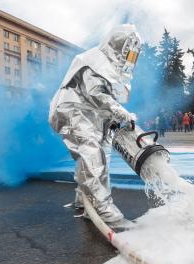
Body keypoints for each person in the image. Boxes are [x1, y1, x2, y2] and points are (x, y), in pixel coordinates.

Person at [49, 24, 141, 225]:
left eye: (134, 57)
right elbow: (95, 93)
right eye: (129, 54)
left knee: (100, 154)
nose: (130, 60)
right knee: (92, 153)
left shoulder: (114, 70)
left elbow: (105, 99)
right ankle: (101, 208)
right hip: (73, 109)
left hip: (90, 114)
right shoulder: (95, 60)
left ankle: (83, 197)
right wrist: (119, 111)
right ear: (119, 48)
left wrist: (116, 116)